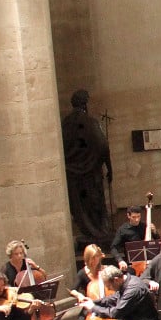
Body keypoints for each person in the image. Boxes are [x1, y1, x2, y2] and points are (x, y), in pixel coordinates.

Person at [61, 88, 113, 241]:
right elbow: (103, 146)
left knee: (80, 208)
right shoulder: (91, 123)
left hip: (73, 175)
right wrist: (109, 168)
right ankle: (99, 232)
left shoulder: (65, 124)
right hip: (91, 175)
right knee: (95, 204)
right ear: (85, 104)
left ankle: (90, 232)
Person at [78, 266, 159, 320]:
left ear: (116, 279)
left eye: (108, 285)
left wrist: (93, 308)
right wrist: (94, 301)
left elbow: (115, 313)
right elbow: (114, 298)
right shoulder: (128, 280)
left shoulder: (132, 290)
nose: (108, 288)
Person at [109, 205, 151, 269]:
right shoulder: (122, 229)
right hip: (131, 264)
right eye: (134, 217)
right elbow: (113, 247)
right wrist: (120, 260)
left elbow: (158, 241)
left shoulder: (145, 226)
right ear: (128, 216)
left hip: (147, 263)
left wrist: (155, 232)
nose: (137, 220)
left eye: (138, 216)